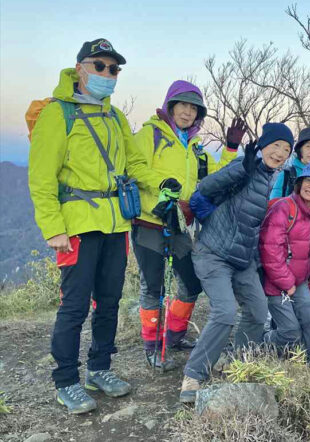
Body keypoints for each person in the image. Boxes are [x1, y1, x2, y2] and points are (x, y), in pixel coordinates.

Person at [28, 38, 174, 414]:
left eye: (114, 69)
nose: (108, 74)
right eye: (100, 66)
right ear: (80, 68)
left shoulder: (115, 117)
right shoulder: (57, 113)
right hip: (77, 226)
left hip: (114, 224)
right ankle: (66, 381)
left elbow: (134, 164)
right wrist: (53, 228)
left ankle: (99, 369)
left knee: (109, 302)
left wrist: (161, 183)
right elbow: (41, 177)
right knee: (74, 306)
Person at [179, 122, 294, 403]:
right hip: (213, 253)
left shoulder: (269, 178)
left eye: (286, 149)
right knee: (225, 312)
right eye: (275, 145)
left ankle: (239, 361)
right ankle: (194, 374)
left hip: (242, 259)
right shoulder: (245, 166)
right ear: (263, 146)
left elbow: (250, 223)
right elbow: (207, 186)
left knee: (257, 310)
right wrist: (243, 167)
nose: (280, 153)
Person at [132, 81, 241, 370]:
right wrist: (163, 185)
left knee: (192, 283)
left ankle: (175, 335)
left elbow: (215, 177)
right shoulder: (151, 134)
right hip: (150, 220)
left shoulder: (195, 147)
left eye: (193, 108)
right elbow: (134, 166)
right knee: (153, 286)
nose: (187, 112)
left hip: (179, 224)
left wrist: (231, 149)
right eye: (182, 105)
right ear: (170, 106)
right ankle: (152, 346)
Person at [260, 161, 310, 360]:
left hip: (300, 281)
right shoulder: (284, 207)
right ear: (300, 182)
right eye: (309, 181)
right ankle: (260, 343)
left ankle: (304, 361)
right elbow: (270, 249)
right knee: (290, 331)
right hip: (277, 283)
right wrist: (287, 283)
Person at [269, 128, 310, 311]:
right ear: (300, 150)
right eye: (308, 146)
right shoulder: (289, 173)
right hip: (291, 240)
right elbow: (273, 203)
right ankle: (285, 319)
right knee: (288, 281)